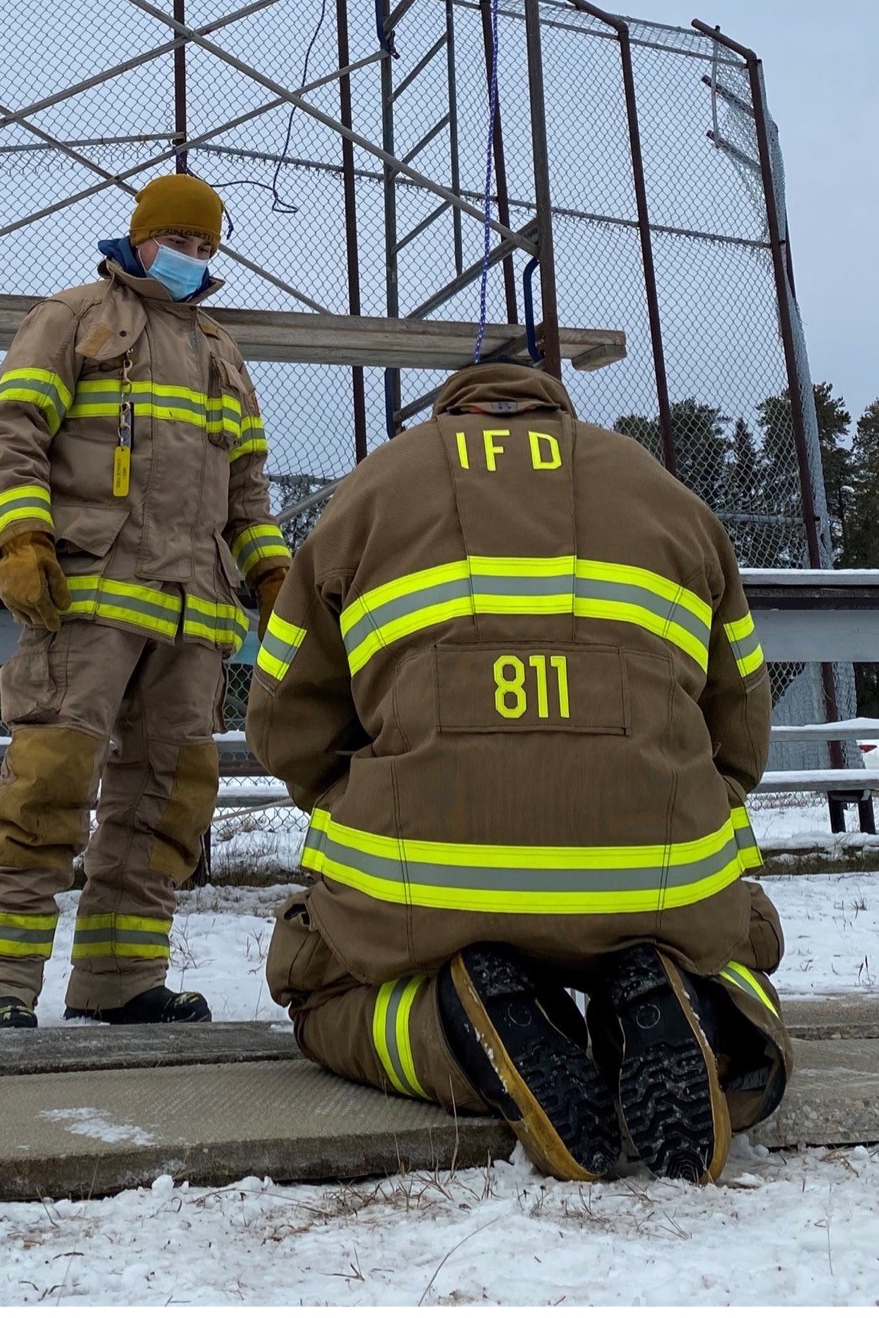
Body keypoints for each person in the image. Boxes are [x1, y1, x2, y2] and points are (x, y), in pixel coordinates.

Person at [246, 346, 794, 1184]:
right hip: (652, 877)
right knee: (732, 943)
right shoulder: (667, 498)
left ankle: (461, 1028)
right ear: (554, 407)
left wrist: (363, 791)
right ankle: (710, 1020)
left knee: (317, 987)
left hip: (422, 883)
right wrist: (671, 797)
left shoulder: (369, 493)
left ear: (450, 411)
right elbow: (745, 719)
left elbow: (284, 716)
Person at [0, 172, 294, 1030]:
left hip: (195, 616)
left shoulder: (222, 352)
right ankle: (0, 983)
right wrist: (23, 538)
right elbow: (13, 431)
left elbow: (248, 491)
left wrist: (272, 580)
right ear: (139, 238)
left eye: (206, 248)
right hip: (91, 601)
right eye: (180, 242)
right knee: (49, 782)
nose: (192, 259)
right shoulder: (76, 317)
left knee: (167, 799)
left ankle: (119, 978)